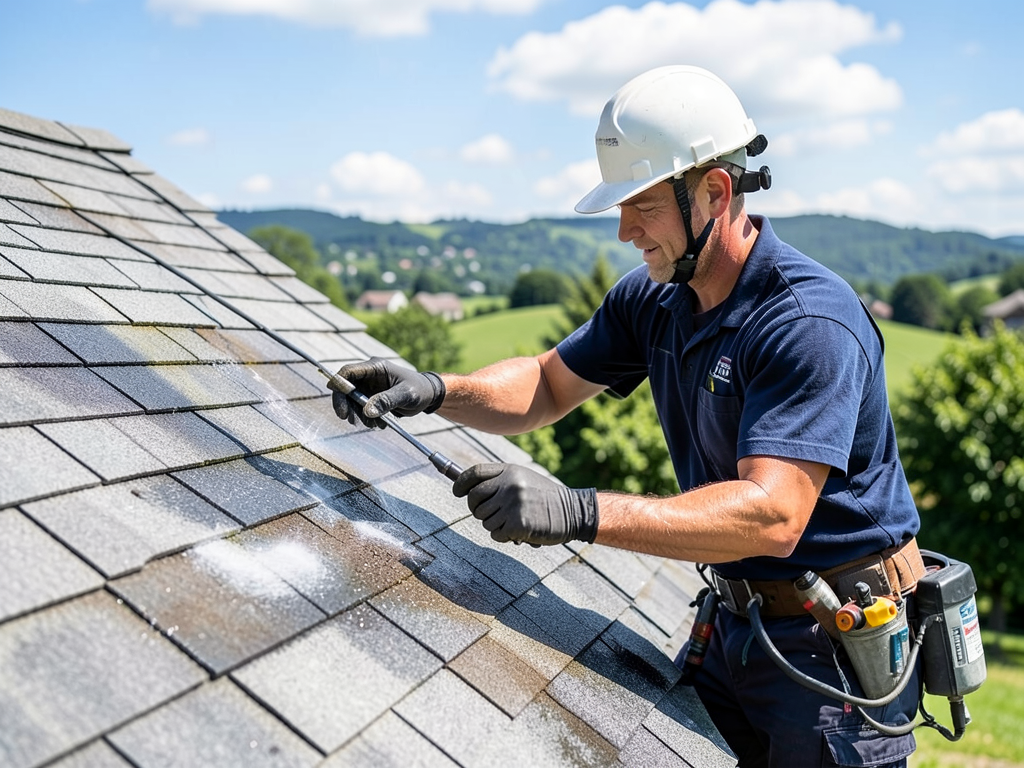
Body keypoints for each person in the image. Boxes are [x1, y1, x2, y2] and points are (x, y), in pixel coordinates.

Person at [331, 65, 926, 767]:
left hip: (832, 654)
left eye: (640, 204)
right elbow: (548, 384)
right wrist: (434, 389)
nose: (622, 231)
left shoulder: (805, 323)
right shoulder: (656, 298)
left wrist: (577, 511)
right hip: (736, 625)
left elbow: (773, 514)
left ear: (715, 192)